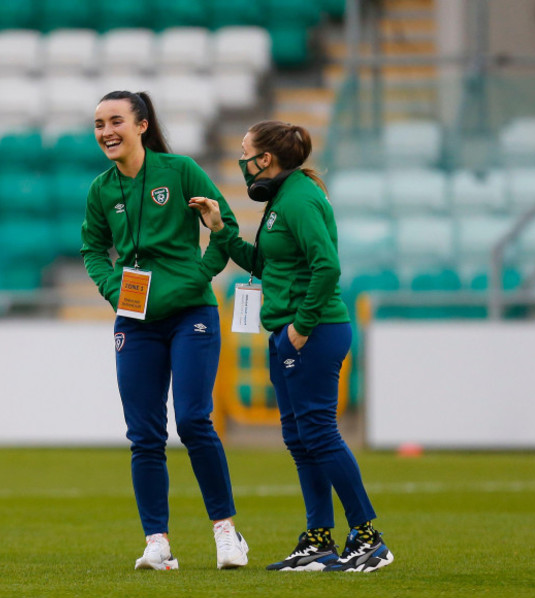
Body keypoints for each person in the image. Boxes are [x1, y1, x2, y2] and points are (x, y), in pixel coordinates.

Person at [190, 120, 393, 572]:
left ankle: (368, 536)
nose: (242, 162)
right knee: (300, 439)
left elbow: (327, 267)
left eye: (246, 152)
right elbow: (264, 264)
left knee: (318, 433)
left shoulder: (299, 198)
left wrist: (301, 327)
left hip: (313, 333)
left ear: (267, 159)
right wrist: (220, 229)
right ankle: (319, 539)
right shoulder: (284, 199)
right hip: (290, 334)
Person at [81, 90, 248, 571]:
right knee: (144, 434)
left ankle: (227, 534)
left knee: (194, 420)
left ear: (141, 124)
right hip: (134, 321)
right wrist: (114, 288)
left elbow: (225, 227)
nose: (106, 132)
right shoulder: (100, 190)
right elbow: (92, 249)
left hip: (191, 312)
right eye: (98, 125)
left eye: (115, 121)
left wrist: (200, 276)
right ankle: (158, 543)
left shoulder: (180, 172)